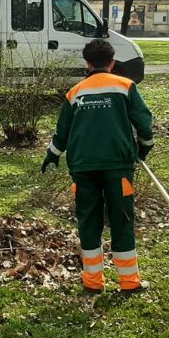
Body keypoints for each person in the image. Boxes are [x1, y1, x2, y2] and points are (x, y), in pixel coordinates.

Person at [41, 39, 154, 295]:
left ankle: (92, 282)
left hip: (83, 167)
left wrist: (52, 154)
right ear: (112, 63)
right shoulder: (126, 86)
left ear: (87, 63)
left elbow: (63, 130)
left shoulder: (75, 92)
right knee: (122, 221)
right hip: (118, 167)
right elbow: (144, 120)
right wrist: (145, 145)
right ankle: (129, 283)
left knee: (89, 223)